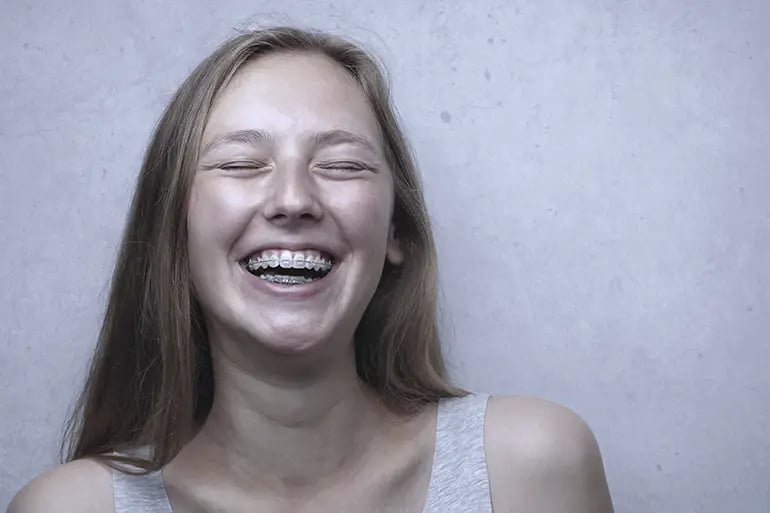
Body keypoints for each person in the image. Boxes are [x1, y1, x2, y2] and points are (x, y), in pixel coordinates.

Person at [8, 26, 614, 513]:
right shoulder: (70, 507)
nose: (293, 199)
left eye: (342, 165)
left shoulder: (532, 468)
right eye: (241, 163)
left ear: (395, 231)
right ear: (174, 228)